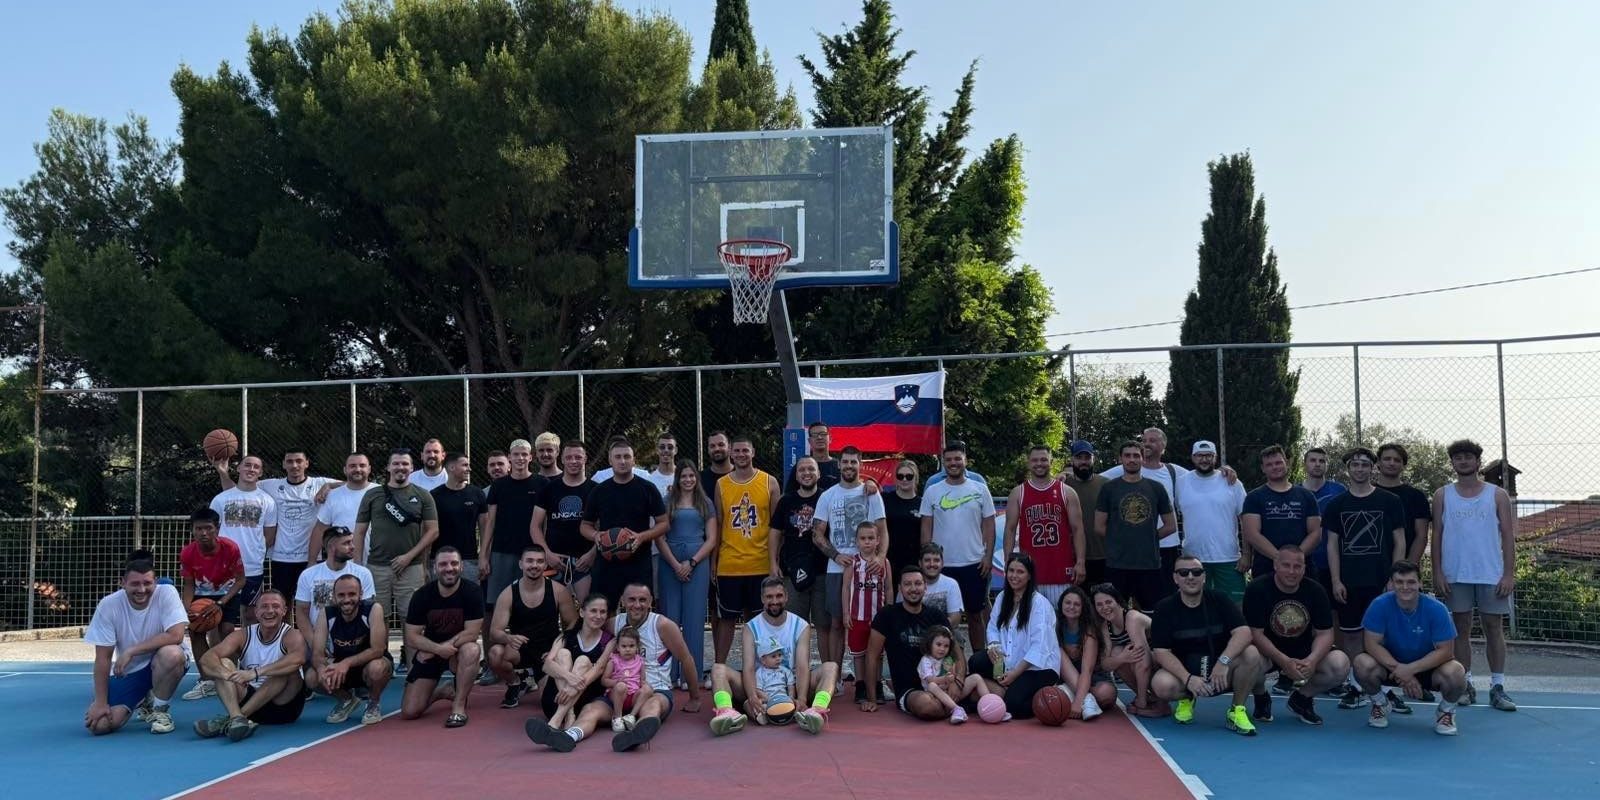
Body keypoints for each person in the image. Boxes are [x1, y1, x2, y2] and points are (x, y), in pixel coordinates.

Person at [524, 582, 705, 753]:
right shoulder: (613, 623)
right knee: (590, 710)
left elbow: (686, 659)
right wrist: (560, 648)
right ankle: (568, 736)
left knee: (653, 705)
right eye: (632, 600)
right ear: (623, 601)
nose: (637, 605)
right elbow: (587, 626)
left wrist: (695, 697)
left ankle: (636, 735)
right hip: (617, 692)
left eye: (643, 600)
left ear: (651, 601)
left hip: (652, 689)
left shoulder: (662, 625)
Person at [1431, 439, 1518, 711]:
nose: (1463, 461)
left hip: (1491, 574)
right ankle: (1465, 683)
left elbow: (1508, 536)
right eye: (1458, 457)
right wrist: (1437, 572)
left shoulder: (1497, 495)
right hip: (1455, 573)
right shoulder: (1442, 495)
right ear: (1452, 463)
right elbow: (1437, 536)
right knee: (1460, 630)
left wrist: (1508, 574)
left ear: (1478, 461)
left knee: (1494, 628)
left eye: (1468, 457)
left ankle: (1497, 686)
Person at [1322, 448, 1407, 711]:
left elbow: (1399, 541)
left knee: (1381, 637)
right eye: (1355, 464)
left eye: (1364, 464)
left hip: (1380, 581)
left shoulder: (1390, 501)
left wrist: (1395, 578)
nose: (1360, 469)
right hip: (1349, 582)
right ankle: (1356, 687)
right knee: (1350, 636)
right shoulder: (1336, 505)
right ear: (1348, 469)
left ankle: (1385, 688)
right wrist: (1336, 580)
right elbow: (1332, 545)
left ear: (1373, 468)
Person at [1149, 554, 1266, 736]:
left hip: (1221, 670)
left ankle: (1236, 710)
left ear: (1204, 577)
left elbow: (1244, 633)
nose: (1190, 577)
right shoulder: (1164, 608)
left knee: (1251, 654)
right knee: (1161, 684)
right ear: (1175, 578)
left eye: (1196, 572)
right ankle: (1188, 698)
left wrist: (1223, 662)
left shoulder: (1219, 599)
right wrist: (1188, 679)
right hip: (1186, 670)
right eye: (1184, 572)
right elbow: (1161, 652)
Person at [709, 577, 839, 735]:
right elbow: (748, 667)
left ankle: (816, 712)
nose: (775, 601)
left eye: (779, 596)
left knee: (831, 668)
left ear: (786, 597)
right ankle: (726, 713)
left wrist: (802, 699)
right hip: (760, 687)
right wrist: (752, 696)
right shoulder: (750, 627)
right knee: (718, 669)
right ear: (762, 599)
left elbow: (802, 667)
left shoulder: (801, 625)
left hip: (792, 687)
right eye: (769, 597)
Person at [1354, 561, 1469, 735]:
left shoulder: (1437, 609)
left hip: (1428, 668)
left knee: (1456, 672)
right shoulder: (1379, 605)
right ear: (1391, 584)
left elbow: (1446, 651)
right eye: (1399, 582)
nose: (1405, 587)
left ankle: (1446, 711)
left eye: (1411, 582)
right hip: (1391, 667)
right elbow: (1371, 644)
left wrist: (1410, 670)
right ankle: (1380, 703)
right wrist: (1402, 671)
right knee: (1361, 663)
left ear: (1420, 583)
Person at [84, 551, 190, 736]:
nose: (141, 589)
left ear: (155, 582)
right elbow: (103, 658)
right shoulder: (108, 605)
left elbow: (176, 635)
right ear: (123, 583)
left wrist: (132, 651)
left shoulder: (167, 593)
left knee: (172, 654)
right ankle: (144, 697)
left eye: (147, 583)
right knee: (100, 725)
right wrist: (100, 703)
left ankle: (160, 711)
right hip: (131, 671)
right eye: (135, 584)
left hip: (164, 662)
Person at [1242, 546, 1349, 725]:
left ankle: (1302, 699)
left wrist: (1312, 660)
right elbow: (1255, 634)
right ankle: (1261, 696)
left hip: (1303, 649)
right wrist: (1284, 661)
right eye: (1286, 565)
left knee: (1340, 664)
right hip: (1267, 651)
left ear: (1304, 568)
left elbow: (1325, 633)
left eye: (1297, 566)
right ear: (1275, 565)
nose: (1292, 571)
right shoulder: (1257, 588)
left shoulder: (1316, 590)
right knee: (1249, 659)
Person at [355, 448, 438, 668]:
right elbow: (359, 532)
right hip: (376, 567)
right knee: (377, 618)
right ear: (389, 467)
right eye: (396, 464)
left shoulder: (423, 495)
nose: (400, 468)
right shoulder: (373, 495)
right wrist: (357, 567)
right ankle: (382, 668)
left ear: (412, 467)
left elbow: (433, 531)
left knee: (411, 619)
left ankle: (413, 670)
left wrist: (408, 556)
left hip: (412, 568)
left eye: (405, 464)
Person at [222, 448, 335, 604]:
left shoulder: (319, 483)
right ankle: (286, 622)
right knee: (282, 604)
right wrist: (222, 472)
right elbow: (236, 491)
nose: (294, 465)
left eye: (299, 461)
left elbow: (353, 484)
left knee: (319, 602)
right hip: (281, 558)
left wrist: (329, 486)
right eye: (290, 461)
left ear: (307, 463)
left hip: (312, 558)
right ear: (283, 464)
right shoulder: (270, 485)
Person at [193, 589, 308, 741]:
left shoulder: (292, 635)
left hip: (283, 707)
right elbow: (207, 659)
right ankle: (237, 718)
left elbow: (298, 659)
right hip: (250, 702)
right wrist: (227, 675)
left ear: (284, 611)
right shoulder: (243, 635)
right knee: (222, 664)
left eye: (275, 606)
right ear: (256, 611)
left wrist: (255, 672)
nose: (270, 611)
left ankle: (231, 719)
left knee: (286, 670)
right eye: (264, 606)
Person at [813, 446, 888, 670]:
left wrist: (880, 558)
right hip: (837, 569)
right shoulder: (828, 495)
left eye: (853, 462)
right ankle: (833, 676)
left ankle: (870, 678)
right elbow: (817, 534)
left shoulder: (871, 493)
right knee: (837, 622)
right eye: (845, 462)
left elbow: (883, 530)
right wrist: (836, 555)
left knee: (872, 623)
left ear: (860, 464)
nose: (849, 466)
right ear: (839, 464)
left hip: (868, 567)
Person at [713, 434, 782, 665]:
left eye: (745, 450)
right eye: (737, 451)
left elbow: (777, 527)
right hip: (730, 564)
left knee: (758, 621)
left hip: (760, 563)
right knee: (727, 620)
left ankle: (759, 669)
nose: (741, 455)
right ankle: (720, 669)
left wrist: (774, 561)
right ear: (731, 454)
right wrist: (714, 561)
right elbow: (719, 524)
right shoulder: (721, 484)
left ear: (753, 452)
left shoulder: (769, 482)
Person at [920, 441, 996, 651]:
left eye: (957, 459)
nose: (953, 463)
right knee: (939, 618)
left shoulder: (980, 488)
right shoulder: (932, 491)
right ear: (943, 462)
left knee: (975, 615)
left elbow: (989, 525)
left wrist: (988, 557)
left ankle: (979, 659)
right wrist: (927, 560)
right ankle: (938, 661)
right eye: (949, 460)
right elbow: (926, 527)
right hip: (941, 566)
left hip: (974, 563)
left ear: (965, 461)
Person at [967, 552, 1060, 720]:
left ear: (1029, 576)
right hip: (1007, 660)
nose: (1014, 576)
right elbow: (993, 628)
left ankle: (1052, 693)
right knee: (976, 661)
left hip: (1037, 668)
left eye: (1020, 572)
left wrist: (1015, 674)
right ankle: (1002, 691)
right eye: (1011, 570)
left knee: (1015, 706)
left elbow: (1039, 646)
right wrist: (994, 648)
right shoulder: (1003, 597)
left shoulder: (1039, 603)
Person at [400, 547, 485, 727]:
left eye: (454, 563)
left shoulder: (473, 592)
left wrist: (442, 649)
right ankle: (442, 692)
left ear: (461, 566)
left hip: (457, 652)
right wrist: (437, 650)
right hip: (432, 651)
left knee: (472, 649)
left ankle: (458, 706)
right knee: (409, 712)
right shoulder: (422, 595)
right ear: (435, 568)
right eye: (443, 564)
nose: (449, 568)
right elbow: (412, 637)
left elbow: (471, 633)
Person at [862, 565, 958, 719]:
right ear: (900, 588)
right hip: (910, 691)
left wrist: (956, 683)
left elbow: (957, 654)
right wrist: (871, 699)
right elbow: (872, 657)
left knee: (988, 689)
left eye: (918, 583)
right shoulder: (887, 615)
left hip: (942, 685)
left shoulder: (937, 615)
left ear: (925, 587)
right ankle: (956, 707)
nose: (913, 588)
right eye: (907, 584)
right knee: (927, 705)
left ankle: (952, 706)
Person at [487, 546, 576, 708]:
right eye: (530, 561)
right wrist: (508, 638)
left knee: (548, 701)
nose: (534, 565)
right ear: (521, 564)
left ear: (545, 565)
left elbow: (572, 624)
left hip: (548, 652)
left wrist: (558, 649)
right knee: (495, 654)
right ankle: (515, 682)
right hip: (520, 650)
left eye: (539, 561)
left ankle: (535, 679)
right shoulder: (508, 594)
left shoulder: (558, 591)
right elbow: (494, 632)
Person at [583, 438, 669, 605]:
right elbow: (585, 526)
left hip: (639, 561)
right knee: (603, 610)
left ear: (634, 460)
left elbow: (664, 523)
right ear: (610, 460)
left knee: (639, 609)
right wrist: (596, 535)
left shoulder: (647, 488)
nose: (622, 461)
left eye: (627, 456)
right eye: (618, 457)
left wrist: (642, 537)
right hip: (607, 561)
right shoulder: (599, 491)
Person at [1099, 428, 1189, 584]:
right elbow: (1094, 479)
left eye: (1152, 441)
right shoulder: (1126, 468)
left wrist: (1224, 471)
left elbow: (1201, 476)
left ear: (1163, 446)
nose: (1147, 444)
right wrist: (1066, 475)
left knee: (1164, 592)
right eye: (1144, 440)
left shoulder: (1173, 471)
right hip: (1132, 549)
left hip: (1167, 546)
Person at [1096, 441, 1176, 612]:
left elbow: (1170, 526)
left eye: (1136, 455)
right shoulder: (1109, 488)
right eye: (1127, 455)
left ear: (1143, 459)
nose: (1131, 459)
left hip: (1149, 564)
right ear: (1120, 459)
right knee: (1116, 613)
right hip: (1117, 564)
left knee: (1151, 614)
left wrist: (1148, 538)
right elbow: (1099, 526)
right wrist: (1119, 540)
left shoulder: (1156, 488)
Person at [657, 461, 717, 688]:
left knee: (694, 619)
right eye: (684, 476)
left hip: (697, 563)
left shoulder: (705, 503)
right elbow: (659, 536)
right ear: (677, 479)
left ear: (696, 478)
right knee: (670, 618)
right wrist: (675, 565)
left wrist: (692, 562)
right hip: (669, 563)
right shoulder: (667, 502)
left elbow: (711, 538)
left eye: (692, 476)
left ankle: (691, 675)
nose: (688, 480)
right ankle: (670, 674)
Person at [1003, 444, 1086, 606]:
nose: (1039, 464)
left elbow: (1078, 530)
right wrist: (1008, 560)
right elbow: (1010, 529)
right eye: (1035, 460)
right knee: (1031, 617)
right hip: (1030, 571)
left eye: (1043, 460)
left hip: (1061, 568)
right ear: (1029, 462)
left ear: (1051, 462)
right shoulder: (1018, 493)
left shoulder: (1067, 492)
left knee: (1063, 617)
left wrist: (1080, 562)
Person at [179, 507, 245, 701]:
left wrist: (221, 603)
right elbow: (189, 585)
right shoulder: (187, 553)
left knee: (227, 629)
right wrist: (186, 610)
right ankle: (207, 679)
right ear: (192, 530)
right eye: (198, 529)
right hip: (200, 594)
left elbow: (241, 580)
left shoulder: (230, 548)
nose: (203, 533)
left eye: (208, 528)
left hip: (228, 593)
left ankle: (232, 675)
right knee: (195, 631)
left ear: (217, 528)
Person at [308, 574, 391, 726]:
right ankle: (347, 700)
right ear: (334, 596)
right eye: (341, 595)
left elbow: (378, 649)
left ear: (361, 594)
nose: (346, 600)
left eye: (352, 594)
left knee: (377, 668)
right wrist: (321, 669)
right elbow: (317, 654)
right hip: (341, 668)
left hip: (368, 664)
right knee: (312, 677)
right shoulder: (326, 613)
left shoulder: (373, 609)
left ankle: (373, 702)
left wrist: (346, 663)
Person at [1176, 441, 1248, 603]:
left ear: (1215, 457)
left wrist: (1247, 554)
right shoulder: (1181, 482)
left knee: (1235, 607)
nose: (1204, 459)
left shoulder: (1232, 482)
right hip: (1193, 560)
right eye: (1200, 456)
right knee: (1196, 607)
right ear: (1192, 457)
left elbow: (1246, 521)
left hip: (1229, 559)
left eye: (1209, 455)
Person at [209, 454, 278, 624]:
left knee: (251, 613)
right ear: (238, 468)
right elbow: (212, 533)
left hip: (252, 566)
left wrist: (255, 551)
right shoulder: (221, 499)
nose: (251, 469)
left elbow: (269, 536)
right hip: (224, 567)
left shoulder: (267, 501)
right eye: (247, 465)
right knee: (218, 614)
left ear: (260, 473)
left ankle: (249, 642)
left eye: (256, 467)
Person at [293, 526, 376, 663]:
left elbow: (368, 611)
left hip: (354, 641)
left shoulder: (363, 573)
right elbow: (301, 613)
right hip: (320, 641)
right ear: (331, 547)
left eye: (351, 542)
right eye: (346, 543)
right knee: (313, 675)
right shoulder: (308, 575)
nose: (352, 547)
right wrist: (315, 644)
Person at [772, 456, 829, 655]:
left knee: (824, 626)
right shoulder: (786, 501)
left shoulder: (827, 498)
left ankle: (828, 670)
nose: (806, 473)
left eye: (811, 469)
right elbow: (775, 533)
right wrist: (773, 562)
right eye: (802, 469)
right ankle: (797, 669)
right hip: (793, 570)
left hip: (822, 570)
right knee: (795, 626)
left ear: (818, 473)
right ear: (796, 475)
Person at [481, 439, 545, 610]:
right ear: (510, 457)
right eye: (516, 454)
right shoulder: (498, 486)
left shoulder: (542, 483)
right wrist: (484, 556)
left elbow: (545, 522)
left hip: (532, 552)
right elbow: (490, 522)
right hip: (501, 552)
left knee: (530, 603)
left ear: (530, 457)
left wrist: (545, 551)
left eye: (524, 454)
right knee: (497, 604)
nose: (520, 458)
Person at [1242, 445, 1322, 580]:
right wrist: (1280, 559)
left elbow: (1316, 533)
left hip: (1302, 570)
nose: (1275, 467)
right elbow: (1252, 534)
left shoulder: (1306, 496)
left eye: (1278, 462)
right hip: (1266, 569)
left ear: (1287, 463)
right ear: (1262, 468)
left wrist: (1295, 560)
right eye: (1269, 464)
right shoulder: (1254, 497)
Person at [538, 594, 617, 728]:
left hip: (584, 700)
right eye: (593, 611)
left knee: (583, 660)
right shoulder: (566, 636)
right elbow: (547, 665)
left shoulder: (609, 640)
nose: (598, 616)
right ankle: (568, 713)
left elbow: (599, 669)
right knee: (562, 654)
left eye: (602, 612)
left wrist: (573, 688)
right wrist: (569, 677)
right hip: (555, 699)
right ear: (582, 612)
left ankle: (555, 721)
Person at [532, 440, 595, 599]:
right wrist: (547, 553)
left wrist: (593, 554)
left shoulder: (596, 490)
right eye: (569, 457)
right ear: (562, 459)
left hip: (585, 561)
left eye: (578, 457)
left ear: (585, 458)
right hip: (555, 560)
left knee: (588, 607)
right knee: (552, 608)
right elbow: (535, 526)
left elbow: (605, 527)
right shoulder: (549, 489)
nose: (573, 461)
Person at [1091, 583, 1160, 716]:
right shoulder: (1106, 627)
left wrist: (1141, 702)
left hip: (1163, 661)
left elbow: (1144, 662)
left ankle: (1145, 700)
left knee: (1135, 653)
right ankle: (1147, 696)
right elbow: (1105, 664)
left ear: (1118, 601)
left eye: (1108, 602)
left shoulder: (1132, 617)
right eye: (1099, 604)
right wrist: (1122, 658)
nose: (1104, 607)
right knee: (1117, 653)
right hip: (1146, 664)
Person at [842, 522, 889, 701]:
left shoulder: (884, 563)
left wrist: (890, 612)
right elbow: (846, 588)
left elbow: (889, 588)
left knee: (878, 653)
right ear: (857, 541)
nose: (867, 542)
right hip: (857, 617)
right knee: (859, 654)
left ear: (878, 540)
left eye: (871, 538)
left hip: (879, 618)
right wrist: (846, 613)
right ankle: (860, 686)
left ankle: (877, 685)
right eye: (863, 538)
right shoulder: (852, 563)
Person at [1055, 585, 1114, 721]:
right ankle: (1087, 698)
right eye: (1068, 602)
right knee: (1057, 651)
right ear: (1061, 604)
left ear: (1083, 608)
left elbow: (1087, 670)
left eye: (1077, 604)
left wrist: (1077, 703)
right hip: (1065, 674)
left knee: (1106, 694)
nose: (1072, 607)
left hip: (1092, 676)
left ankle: (1072, 692)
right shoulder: (1056, 624)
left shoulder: (1089, 629)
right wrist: (1082, 699)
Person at [430, 453, 486, 585]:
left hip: (469, 559)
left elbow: (485, 529)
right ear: (451, 467)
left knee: (469, 596)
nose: (469, 469)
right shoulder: (434, 495)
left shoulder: (477, 494)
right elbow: (429, 531)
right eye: (465, 465)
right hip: (440, 559)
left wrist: (483, 557)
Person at [310, 453, 374, 565]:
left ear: (369, 469)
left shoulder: (380, 493)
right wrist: (311, 561)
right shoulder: (333, 495)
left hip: (377, 563)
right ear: (345, 470)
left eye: (362, 465)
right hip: (342, 564)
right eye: (352, 466)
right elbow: (320, 529)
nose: (357, 469)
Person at [919, 625, 992, 723]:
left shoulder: (948, 659)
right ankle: (956, 709)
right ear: (930, 644)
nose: (942, 649)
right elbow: (930, 679)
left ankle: (990, 704)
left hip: (951, 692)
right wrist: (945, 679)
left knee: (976, 677)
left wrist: (953, 675)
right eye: (938, 644)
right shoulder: (926, 660)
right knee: (932, 685)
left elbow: (953, 676)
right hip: (937, 696)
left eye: (946, 646)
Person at [1374, 442, 1433, 565]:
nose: (1392, 463)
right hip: (1370, 565)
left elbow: (1421, 536)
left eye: (1397, 460)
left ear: (1403, 466)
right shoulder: (1366, 493)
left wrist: (1407, 567)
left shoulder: (1416, 496)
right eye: (1387, 459)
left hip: (1404, 566)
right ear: (1378, 462)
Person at [1061, 441, 1110, 586]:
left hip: (1104, 555)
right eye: (1079, 457)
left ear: (1093, 459)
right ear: (1072, 460)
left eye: (1087, 457)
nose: (1083, 462)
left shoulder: (1106, 484)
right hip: (1072, 557)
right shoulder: (1062, 485)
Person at [1300, 447, 1347, 591]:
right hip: (1304, 560)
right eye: (1313, 460)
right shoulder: (1295, 492)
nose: (1317, 464)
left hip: (1334, 561)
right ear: (1305, 464)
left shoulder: (1339, 490)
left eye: (1322, 461)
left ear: (1327, 465)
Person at [594, 432, 677, 497]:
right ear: (610, 456)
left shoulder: (645, 477)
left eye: (626, 455)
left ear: (633, 460)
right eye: (617, 455)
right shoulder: (599, 477)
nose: (666, 450)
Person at [603, 627, 653, 732]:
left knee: (648, 689)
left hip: (633, 697)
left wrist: (646, 687)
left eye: (631, 646)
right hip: (617, 696)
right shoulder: (614, 660)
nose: (628, 649)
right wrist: (616, 682)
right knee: (621, 686)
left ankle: (631, 716)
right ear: (618, 647)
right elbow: (604, 680)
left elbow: (642, 681)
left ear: (637, 646)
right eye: (624, 646)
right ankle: (617, 718)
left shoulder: (640, 661)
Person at [881, 458, 923, 573]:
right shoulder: (884, 499)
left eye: (909, 476)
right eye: (900, 476)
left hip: (914, 562)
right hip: (888, 560)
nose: (904, 479)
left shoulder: (922, 503)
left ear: (916, 478)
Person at [911, 542, 966, 629]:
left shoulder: (951, 584)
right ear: (920, 563)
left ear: (942, 563)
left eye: (936, 560)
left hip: (943, 633)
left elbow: (955, 619)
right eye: (927, 560)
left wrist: (934, 633)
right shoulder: (910, 584)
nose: (932, 564)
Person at [785, 421, 841, 491]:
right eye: (814, 435)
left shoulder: (839, 466)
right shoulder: (800, 466)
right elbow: (789, 494)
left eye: (823, 434)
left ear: (830, 438)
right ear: (809, 441)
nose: (819, 437)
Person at [751, 641, 796, 725]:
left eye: (780, 655)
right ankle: (763, 716)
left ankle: (796, 715)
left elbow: (790, 686)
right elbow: (758, 689)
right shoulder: (760, 673)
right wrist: (769, 699)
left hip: (783, 698)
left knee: (795, 704)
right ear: (763, 660)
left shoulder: (785, 671)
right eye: (773, 656)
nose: (778, 658)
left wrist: (791, 697)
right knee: (759, 705)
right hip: (768, 699)